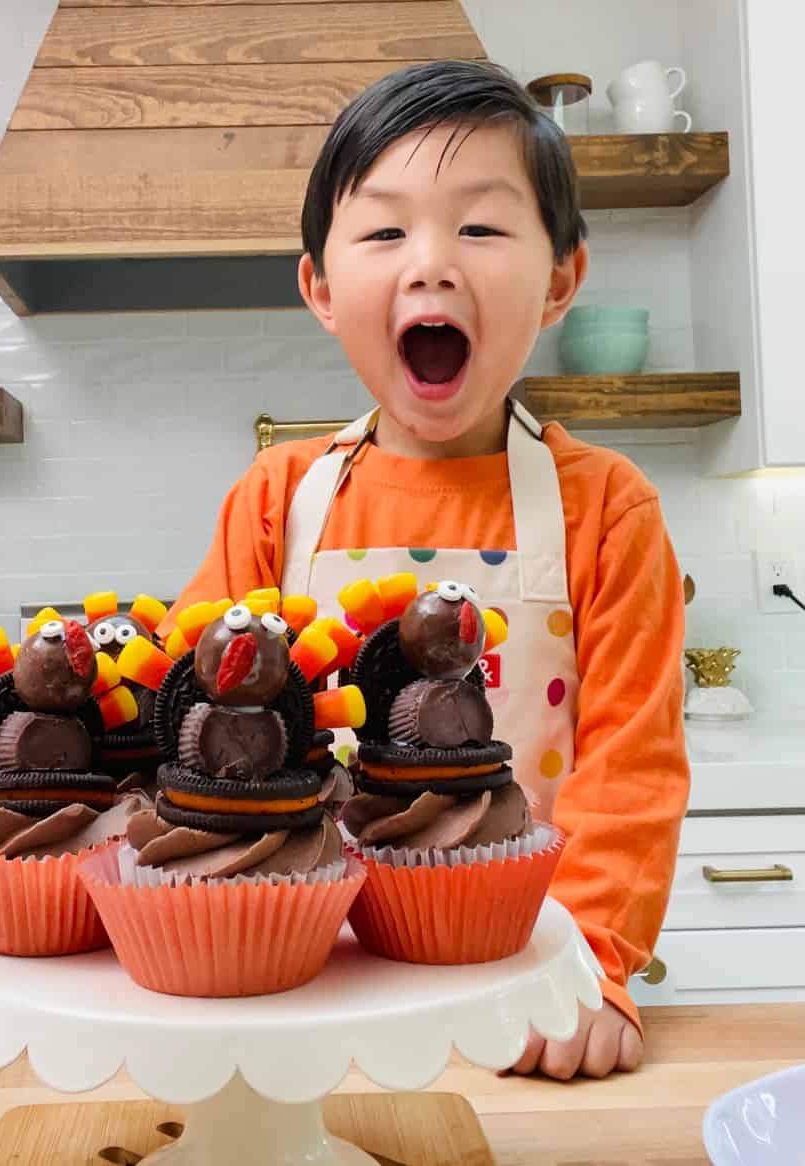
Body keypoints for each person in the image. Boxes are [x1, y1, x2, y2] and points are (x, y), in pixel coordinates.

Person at [165, 59, 689, 1080]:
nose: (431, 264)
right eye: (384, 230)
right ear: (320, 285)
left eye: (481, 228)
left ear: (560, 281)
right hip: (299, 985)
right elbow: (186, 741)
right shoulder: (276, 498)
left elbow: (631, 772)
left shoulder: (605, 506)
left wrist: (588, 969)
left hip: (524, 984)